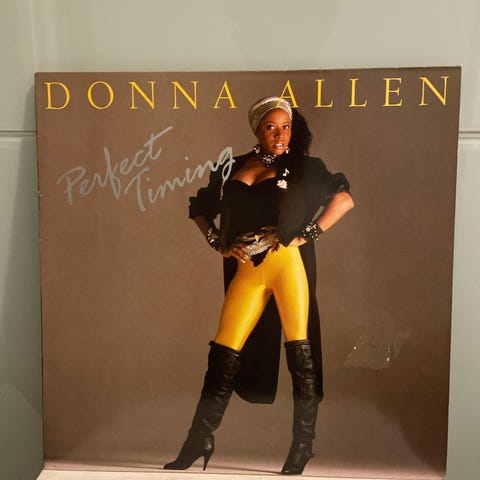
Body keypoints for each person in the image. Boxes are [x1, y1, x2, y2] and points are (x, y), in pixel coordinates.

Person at [164, 96, 354, 475]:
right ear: (257, 130)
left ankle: (302, 446)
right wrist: (218, 242)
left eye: (286, 127)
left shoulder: (305, 166)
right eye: (271, 127)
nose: (280, 135)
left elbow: (344, 199)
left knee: (300, 354)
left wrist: (306, 235)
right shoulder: (232, 166)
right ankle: (199, 439)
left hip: (287, 265)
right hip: (248, 270)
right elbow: (200, 208)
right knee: (223, 352)